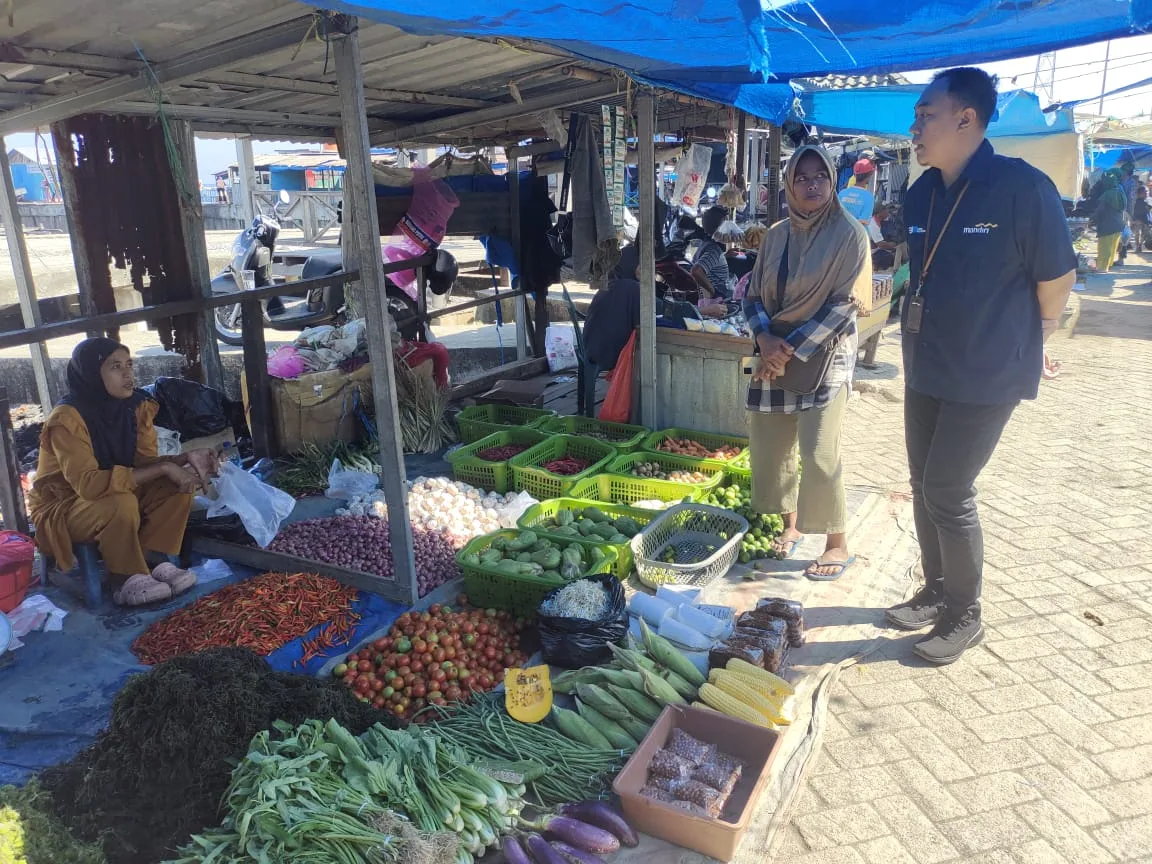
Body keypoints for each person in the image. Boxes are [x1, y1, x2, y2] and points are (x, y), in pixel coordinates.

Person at [886, 67, 1076, 664]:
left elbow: (1057, 277)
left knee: (948, 487)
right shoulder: (921, 192)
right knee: (922, 482)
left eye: (925, 115)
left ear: (966, 118)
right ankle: (936, 590)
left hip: (989, 370)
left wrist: (1037, 334)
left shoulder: (1021, 189)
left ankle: (966, 613)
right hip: (927, 364)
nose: (914, 128)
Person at [742, 144, 871, 581]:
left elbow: (843, 305)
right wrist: (765, 338)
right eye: (802, 177)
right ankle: (790, 525)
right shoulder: (776, 234)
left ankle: (837, 544)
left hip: (827, 352)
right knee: (773, 444)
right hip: (773, 347)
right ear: (789, 185)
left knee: (819, 451)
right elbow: (753, 293)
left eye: (820, 176)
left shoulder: (850, 234)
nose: (811, 184)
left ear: (833, 181)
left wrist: (785, 348)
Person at [28, 338, 219, 606]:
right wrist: (165, 467)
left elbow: (144, 462)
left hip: (113, 493)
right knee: (120, 501)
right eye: (115, 367)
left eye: (129, 365)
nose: (128, 374)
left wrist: (183, 459)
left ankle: (154, 558)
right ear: (93, 374)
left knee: (178, 486)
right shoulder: (66, 420)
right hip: (67, 506)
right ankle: (124, 577)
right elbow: (88, 485)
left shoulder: (136, 407)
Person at [690, 205, 731, 299]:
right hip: (716, 301)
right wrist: (713, 292)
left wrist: (724, 256)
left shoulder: (707, 244)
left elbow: (709, 263)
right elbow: (696, 271)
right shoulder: (714, 250)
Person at [1092, 170, 1127, 273]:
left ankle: (1102, 268)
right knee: (1113, 246)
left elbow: (1100, 210)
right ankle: (1108, 265)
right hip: (1119, 223)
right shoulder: (1120, 193)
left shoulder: (1107, 194)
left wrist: (1092, 219)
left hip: (1107, 224)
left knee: (1104, 247)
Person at [867, 201, 900, 270]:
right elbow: (881, 244)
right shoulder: (872, 224)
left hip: (880, 249)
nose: (888, 211)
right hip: (873, 253)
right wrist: (896, 246)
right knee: (887, 258)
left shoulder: (883, 221)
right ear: (880, 212)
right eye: (886, 209)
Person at [1132, 184, 1151, 252]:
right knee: (1138, 233)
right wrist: (1134, 220)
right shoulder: (1137, 201)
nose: (1147, 193)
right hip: (1138, 220)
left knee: (1144, 234)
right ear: (1140, 193)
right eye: (1145, 192)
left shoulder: (1149, 200)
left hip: (1146, 220)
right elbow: (1134, 211)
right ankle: (1137, 246)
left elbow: (1149, 209)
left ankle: (1140, 245)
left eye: (1147, 191)